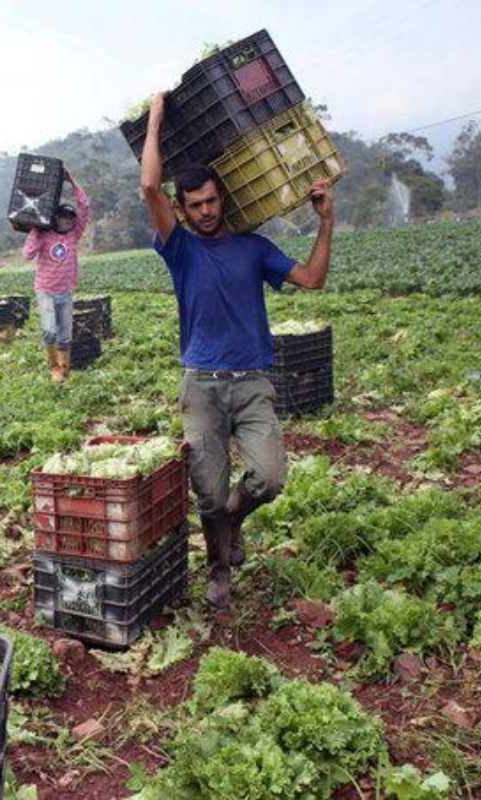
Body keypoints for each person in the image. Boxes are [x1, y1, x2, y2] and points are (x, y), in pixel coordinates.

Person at [140, 91, 335, 611]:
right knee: (206, 490)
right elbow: (147, 185)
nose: (205, 211)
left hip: (251, 382)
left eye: (211, 201)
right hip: (201, 383)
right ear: (183, 209)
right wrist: (156, 118)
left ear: (222, 198)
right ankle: (219, 569)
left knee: (268, 478)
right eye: (195, 205)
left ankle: (233, 518)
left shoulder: (254, 247)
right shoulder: (179, 248)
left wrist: (326, 221)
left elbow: (312, 280)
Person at [22, 170, 91, 382]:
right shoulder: (44, 235)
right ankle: (53, 367)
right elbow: (27, 255)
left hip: (66, 291)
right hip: (45, 291)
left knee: (65, 336)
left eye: (71, 219)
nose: (68, 222)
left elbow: (85, 207)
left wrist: (73, 181)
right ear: (56, 218)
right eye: (64, 218)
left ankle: (65, 371)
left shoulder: (74, 234)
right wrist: (35, 231)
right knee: (49, 332)